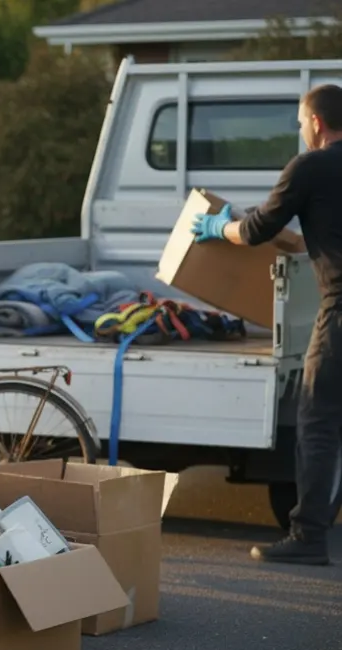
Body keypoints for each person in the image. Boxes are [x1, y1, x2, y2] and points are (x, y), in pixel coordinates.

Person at [191, 84, 342, 566]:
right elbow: (313, 238)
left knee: (317, 424)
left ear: (316, 122)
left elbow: (256, 229)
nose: (299, 129)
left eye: (301, 121)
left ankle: (308, 537)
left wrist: (220, 227)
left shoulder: (311, 167)